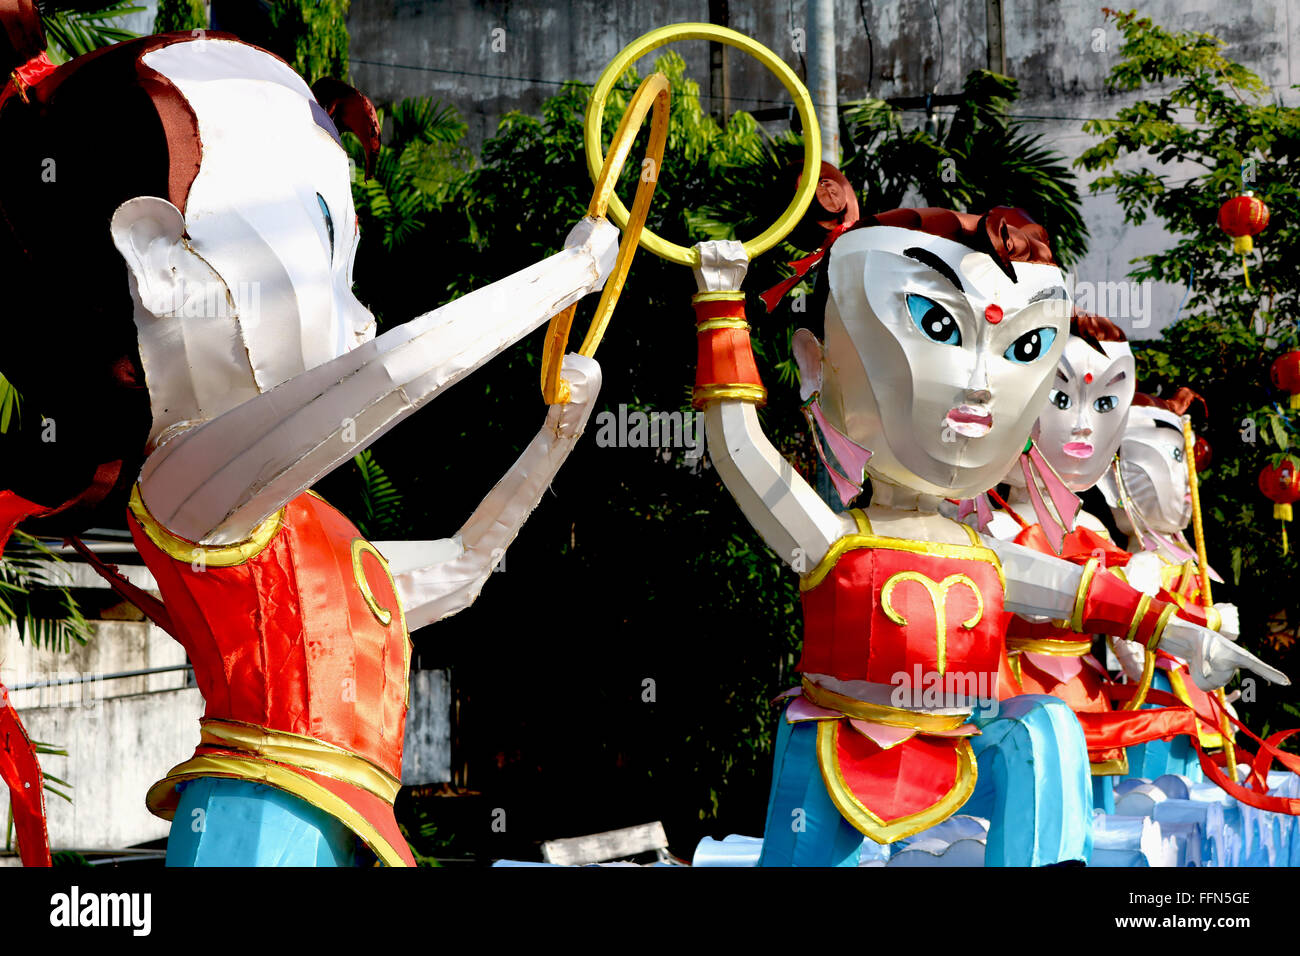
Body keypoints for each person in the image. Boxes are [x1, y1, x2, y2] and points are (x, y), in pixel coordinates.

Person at [0, 13, 617, 865]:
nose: (360, 317)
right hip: (251, 827)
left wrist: (556, 435)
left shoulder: (312, 531)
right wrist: (564, 277)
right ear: (162, 267)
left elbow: (467, 567)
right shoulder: (183, 486)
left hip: (348, 831)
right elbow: (388, 380)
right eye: (321, 252)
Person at [695, 200, 1285, 866]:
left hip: (960, 739)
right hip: (838, 744)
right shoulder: (834, 540)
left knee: (1041, 728)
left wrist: (1181, 632)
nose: (979, 390)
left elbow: (1080, 592)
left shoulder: (982, 553)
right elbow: (739, 446)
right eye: (939, 328)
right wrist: (721, 306)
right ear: (814, 362)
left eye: (1023, 349)